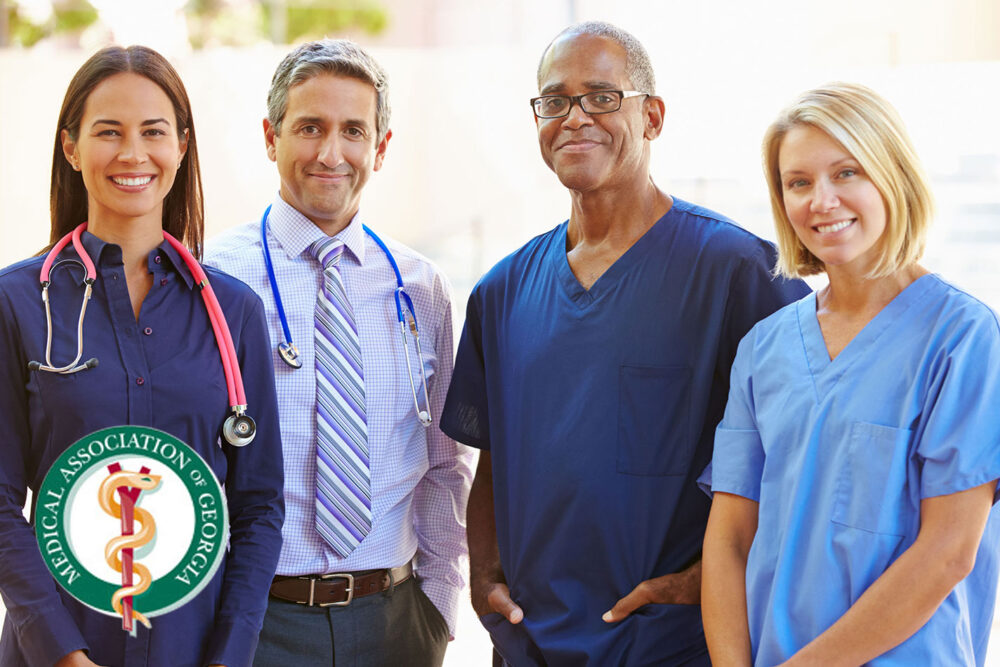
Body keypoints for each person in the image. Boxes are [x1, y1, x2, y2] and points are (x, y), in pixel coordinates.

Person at [440, 21, 809, 666]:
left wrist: (713, 581)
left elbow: (804, 452)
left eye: (602, 96)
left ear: (653, 116)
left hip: (670, 643)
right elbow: (493, 462)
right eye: (554, 101)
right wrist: (484, 574)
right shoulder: (501, 292)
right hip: (529, 644)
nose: (575, 117)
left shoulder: (738, 272)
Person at [0, 45, 284, 667]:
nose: (133, 154)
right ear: (71, 148)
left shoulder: (233, 312)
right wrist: (61, 653)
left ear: (181, 147)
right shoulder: (16, 303)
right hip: (55, 647)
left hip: (194, 647)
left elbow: (259, 507)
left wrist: (228, 653)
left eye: (154, 132)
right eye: (109, 132)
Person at [700, 82, 1000, 666]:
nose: (822, 201)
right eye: (799, 183)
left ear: (893, 175)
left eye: (846, 173)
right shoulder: (764, 349)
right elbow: (730, 537)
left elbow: (947, 551)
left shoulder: (963, 337)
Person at [205, 39, 473, 666]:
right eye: (309, 128)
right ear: (271, 137)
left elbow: (443, 464)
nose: (331, 153)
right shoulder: (212, 277)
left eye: (353, 130)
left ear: (380, 148)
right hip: (254, 622)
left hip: (396, 623)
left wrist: (438, 603)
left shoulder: (420, 285)